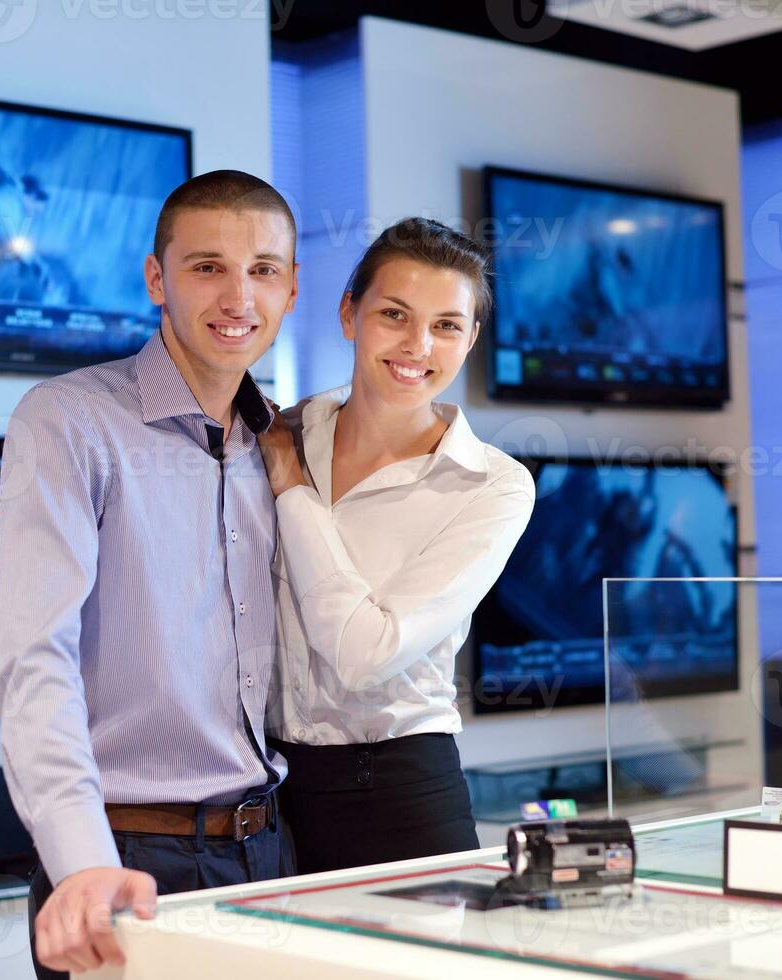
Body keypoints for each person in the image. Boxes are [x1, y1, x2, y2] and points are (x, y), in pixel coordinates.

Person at [0, 170, 299, 978]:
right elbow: (34, 659)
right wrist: (80, 860)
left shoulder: (284, 444)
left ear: (292, 287)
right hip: (128, 860)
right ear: (156, 278)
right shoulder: (68, 421)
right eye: (206, 267)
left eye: (263, 269)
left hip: (273, 851)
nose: (238, 297)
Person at [258, 217, 535, 873]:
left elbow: (363, 656)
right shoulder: (277, 432)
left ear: (469, 339)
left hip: (395, 790)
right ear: (348, 314)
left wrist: (290, 489)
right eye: (394, 314)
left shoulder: (491, 485)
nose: (417, 344)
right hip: (258, 791)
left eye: (445, 325)